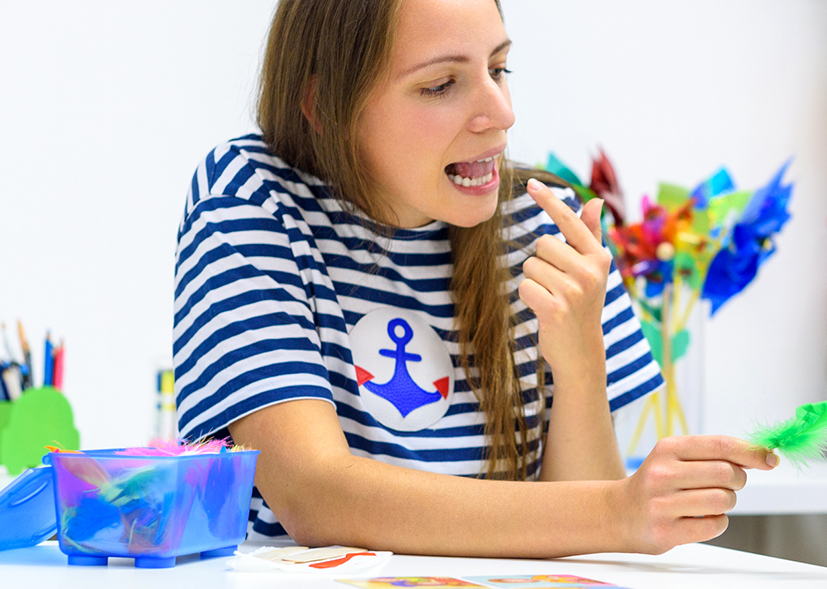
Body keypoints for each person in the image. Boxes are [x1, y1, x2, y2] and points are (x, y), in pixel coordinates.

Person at [173, 0, 775, 558]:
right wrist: (620, 508)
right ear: (323, 106)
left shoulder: (544, 227)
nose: (502, 114)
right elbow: (315, 494)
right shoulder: (251, 196)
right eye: (441, 84)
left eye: (499, 68)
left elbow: (591, 550)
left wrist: (582, 361)